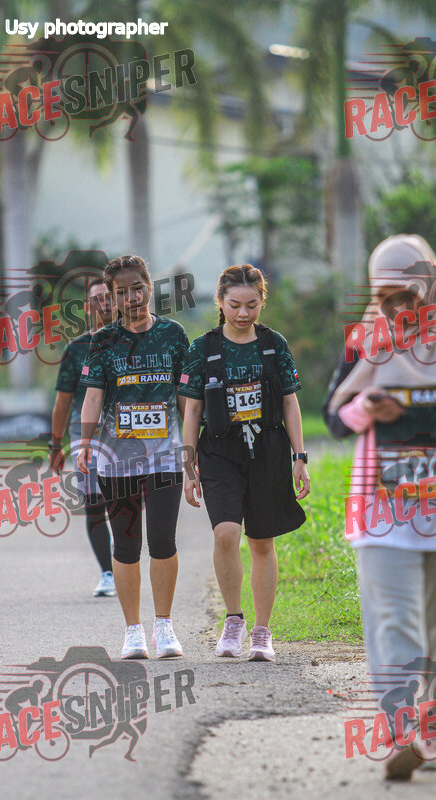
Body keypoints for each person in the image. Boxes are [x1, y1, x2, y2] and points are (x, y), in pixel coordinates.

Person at [323, 234, 436, 780]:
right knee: (394, 622)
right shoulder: (363, 343)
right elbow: (333, 415)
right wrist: (368, 406)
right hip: (383, 514)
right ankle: (402, 733)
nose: (397, 307)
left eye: (407, 293)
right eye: (385, 295)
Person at [179, 264, 309, 662]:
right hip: (219, 450)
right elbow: (191, 409)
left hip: (267, 448)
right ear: (220, 302)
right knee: (225, 534)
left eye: (251, 305)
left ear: (261, 302)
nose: (242, 313)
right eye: (234, 304)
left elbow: (290, 402)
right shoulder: (202, 349)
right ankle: (233, 619)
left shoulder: (273, 344)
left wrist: (299, 457)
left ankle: (262, 632)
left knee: (262, 541)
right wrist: (188, 465)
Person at [77, 255, 189, 660]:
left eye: (138, 289)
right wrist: (86, 443)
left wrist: (193, 444)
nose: (132, 298)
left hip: (165, 457)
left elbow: (185, 395)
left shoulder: (173, 335)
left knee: (162, 541)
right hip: (117, 459)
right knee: (126, 546)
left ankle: (164, 626)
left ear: (149, 287)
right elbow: (93, 396)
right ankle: (133, 631)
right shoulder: (103, 340)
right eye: (121, 293)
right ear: (112, 297)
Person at [50, 278, 116, 597]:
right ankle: (107, 572)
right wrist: (55, 444)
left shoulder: (134, 341)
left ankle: (125, 561)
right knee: (93, 504)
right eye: (96, 299)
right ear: (87, 307)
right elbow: (63, 401)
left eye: (109, 297)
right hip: (84, 435)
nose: (104, 304)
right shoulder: (76, 349)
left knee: (126, 502)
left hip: (126, 434)